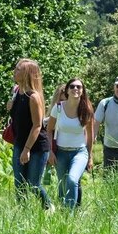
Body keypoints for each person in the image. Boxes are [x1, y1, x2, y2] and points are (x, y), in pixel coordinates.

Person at [7, 58, 51, 208]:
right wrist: (10, 106)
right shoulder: (16, 91)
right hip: (20, 143)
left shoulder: (33, 97)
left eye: (18, 69)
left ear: (27, 74)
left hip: (37, 146)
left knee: (33, 184)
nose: (15, 72)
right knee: (19, 183)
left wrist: (27, 150)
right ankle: (22, 214)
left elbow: (37, 126)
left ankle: (48, 207)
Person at [46, 77, 94, 209]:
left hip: (79, 152)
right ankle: (63, 212)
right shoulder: (58, 108)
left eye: (79, 87)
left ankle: (70, 214)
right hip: (60, 152)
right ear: (66, 90)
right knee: (62, 184)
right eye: (72, 86)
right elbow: (49, 130)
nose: (75, 89)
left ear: (83, 91)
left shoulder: (87, 109)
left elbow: (90, 135)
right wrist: (50, 151)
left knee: (72, 180)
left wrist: (90, 156)